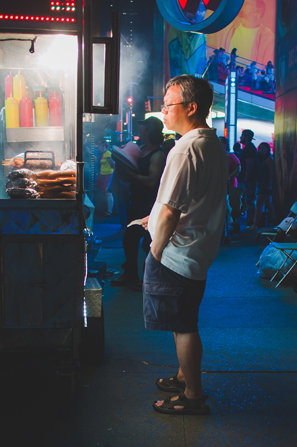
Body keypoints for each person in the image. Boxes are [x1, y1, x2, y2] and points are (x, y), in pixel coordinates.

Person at [142, 75, 227, 415]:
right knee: (184, 318)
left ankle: (193, 395)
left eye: (168, 105)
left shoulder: (186, 148)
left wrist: (155, 251)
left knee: (184, 326)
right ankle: (183, 376)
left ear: (191, 108)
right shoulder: (211, 144)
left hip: (177, 253)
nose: (163, 111)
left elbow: (171, 210)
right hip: (198, 249)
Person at [112, 117, 166, 286]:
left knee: (148, 243)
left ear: (149, 131)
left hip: (150, 205)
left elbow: (151, 182)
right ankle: (130, 274)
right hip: (136, 201)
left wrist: (130, 172)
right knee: (129, 240)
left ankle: (148, 279)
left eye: (143, 128)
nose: (140, 131)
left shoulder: (158, 155)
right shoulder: (140, 149)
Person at [220, 136, 241, 234]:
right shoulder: (215, 156)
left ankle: (233, 224)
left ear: (225, 144)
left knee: (231, 205)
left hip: (230, 184)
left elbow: (238, 168)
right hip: (220, 184)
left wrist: (229, 177)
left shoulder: (230, 156)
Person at [252, 142, 273, 229]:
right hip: (261, 184)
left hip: (265, 185)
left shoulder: (268, 160)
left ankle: (255, 224)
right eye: (260, 148)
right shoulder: (261, 160)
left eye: (263, 148)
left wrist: (269, 185)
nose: (261, 150)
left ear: (268, 149)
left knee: (259, 205)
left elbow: (271, 174)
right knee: (268, 205)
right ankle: (273, 222)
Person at [238, 129, 258, 222]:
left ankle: (251, 222)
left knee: (249, 201)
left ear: (246, 137)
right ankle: (250, 222)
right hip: (249, 179)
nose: (240, 137)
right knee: (249, 201)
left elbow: (249, 165)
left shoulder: (248, 148)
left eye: (242, 136)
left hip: (248, 180)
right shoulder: (250, 147)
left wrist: (246, 179)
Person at [96, 141, 114, 216]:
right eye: (100, 146)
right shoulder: (102, 154)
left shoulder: (108, 153)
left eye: (103, 146)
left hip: (108, 175)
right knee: (103, 193)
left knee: (108, 193)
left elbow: (113, 164)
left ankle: (109, 211)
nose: (101, 148)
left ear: (106, 147)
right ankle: (105, 209)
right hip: (102, 174)